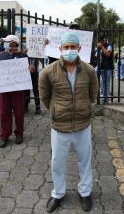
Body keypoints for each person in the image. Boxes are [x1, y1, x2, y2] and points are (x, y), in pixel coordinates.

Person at [39, 32, 98, 213]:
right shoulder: (48, 72)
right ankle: (58, 193)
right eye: (66, 47)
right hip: (60, 126)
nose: (70, 50)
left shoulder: (88, 70)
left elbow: (93, 92)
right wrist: (57, 111)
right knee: (57, 161)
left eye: (73, 47)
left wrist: (85, 108)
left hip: (82, 124)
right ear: (60, 49)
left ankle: (85, 192)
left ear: (80, 49)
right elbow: (45, 96)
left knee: (85, 160)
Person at [0, 35, 30, 147]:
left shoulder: (23, 56)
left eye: (8, 42)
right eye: (6, 42)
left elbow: (27, 71)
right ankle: (4, 135)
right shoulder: (1, 55)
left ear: (14, 43)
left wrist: (30, 69)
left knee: (19, 113)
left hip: (18, 90)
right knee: (3, 113)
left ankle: (19, 134)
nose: (6, 44)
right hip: (4, 89)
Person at [94, 36, 113, 102]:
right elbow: (96, 56)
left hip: (108, 67)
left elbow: (108, 54)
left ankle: (105, 97)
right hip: (101, 66)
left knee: (106, 82)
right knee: (100, 81)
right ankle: (100, 94)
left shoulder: (109, 46)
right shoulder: (98, 48)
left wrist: (102, 47)